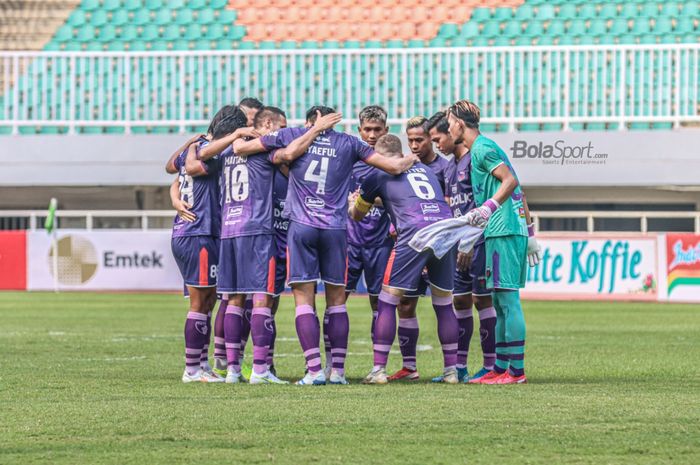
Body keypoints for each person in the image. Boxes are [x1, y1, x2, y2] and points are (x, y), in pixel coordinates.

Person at [234, 106, 418, 385]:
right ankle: (338, 373)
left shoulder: (292, 134)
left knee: (304, 299)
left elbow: (242, 149)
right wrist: (414, 158)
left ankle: (314, 371)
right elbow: (393, 166)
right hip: (335, 229)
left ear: (311, 121)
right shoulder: (350, 142)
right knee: (336, 300)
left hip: (302, 227)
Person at [200, 107, 343, 384]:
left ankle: (232, 370)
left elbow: (198, 158)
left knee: (234, 299)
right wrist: (315, 130)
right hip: (257, 229)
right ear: (266, 124)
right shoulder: (262, 152)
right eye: (281, 127)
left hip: (229, 230)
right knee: (262, 298)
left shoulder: (228, 151)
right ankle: (261, 371)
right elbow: (289, 156)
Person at [348, 134, 460, 384]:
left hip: (414, 232)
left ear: (380, 156)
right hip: (444, 229)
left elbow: (357, 214)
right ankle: (451, 371)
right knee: (444, 303)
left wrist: (351, 204)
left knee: (387, 301)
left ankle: (378, 370)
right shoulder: (424, 169)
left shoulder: (376, 173)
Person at [446, 100, 542, 385]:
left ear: (460, 124)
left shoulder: (483, 148)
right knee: (500, 301)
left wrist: (489, 207)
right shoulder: (481, 148)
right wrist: (530, 229)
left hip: (504, 230)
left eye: (450, 122)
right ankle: (500, 367)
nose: (448, 127)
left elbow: (510, 181)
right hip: (499, 230)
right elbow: (518, 188)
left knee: (508, 300)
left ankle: (516, 372)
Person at [166, 105, 238, 383]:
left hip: (197, 232)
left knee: (207, 300)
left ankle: (200, 365)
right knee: (199, 303)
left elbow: (172, 168)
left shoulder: (196, 147)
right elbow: (192, 167)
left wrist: (174, 197)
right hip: (198, 232)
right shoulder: (207, 151)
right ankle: (192, 369)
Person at [424, 111, 497, 383]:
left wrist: (468, 240)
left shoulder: (474, 160)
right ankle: (460, 367)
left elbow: (485, 204)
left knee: (483, 300)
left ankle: (491, 366)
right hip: (458, 246)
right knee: (460, 302)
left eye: (437, 138)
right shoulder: (450, 166)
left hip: (478, 242)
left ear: (453, 132)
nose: (436, 144)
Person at [389, 116, 451, 382]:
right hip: (410, 243)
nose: (414, 145)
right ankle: (409, 367)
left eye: (419, 140)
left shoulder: (444, 168)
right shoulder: (403, 166)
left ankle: (453, 367)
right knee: (405, 304)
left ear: (431, 140)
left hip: (438, 245)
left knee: (447, 304)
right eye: (410, 140)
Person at [341, 105, 393, 364]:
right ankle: (333, 364)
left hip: (381, 244)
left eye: (377, 130)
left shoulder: (393, 164)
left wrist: (368, 201)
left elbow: (398, 201)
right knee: (338, 301)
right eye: (367, 130)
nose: (372, 135)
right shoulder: (348, 161)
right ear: (359, 130)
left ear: (386, 130)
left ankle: (378, 365)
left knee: (379, 304)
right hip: (349, 242)